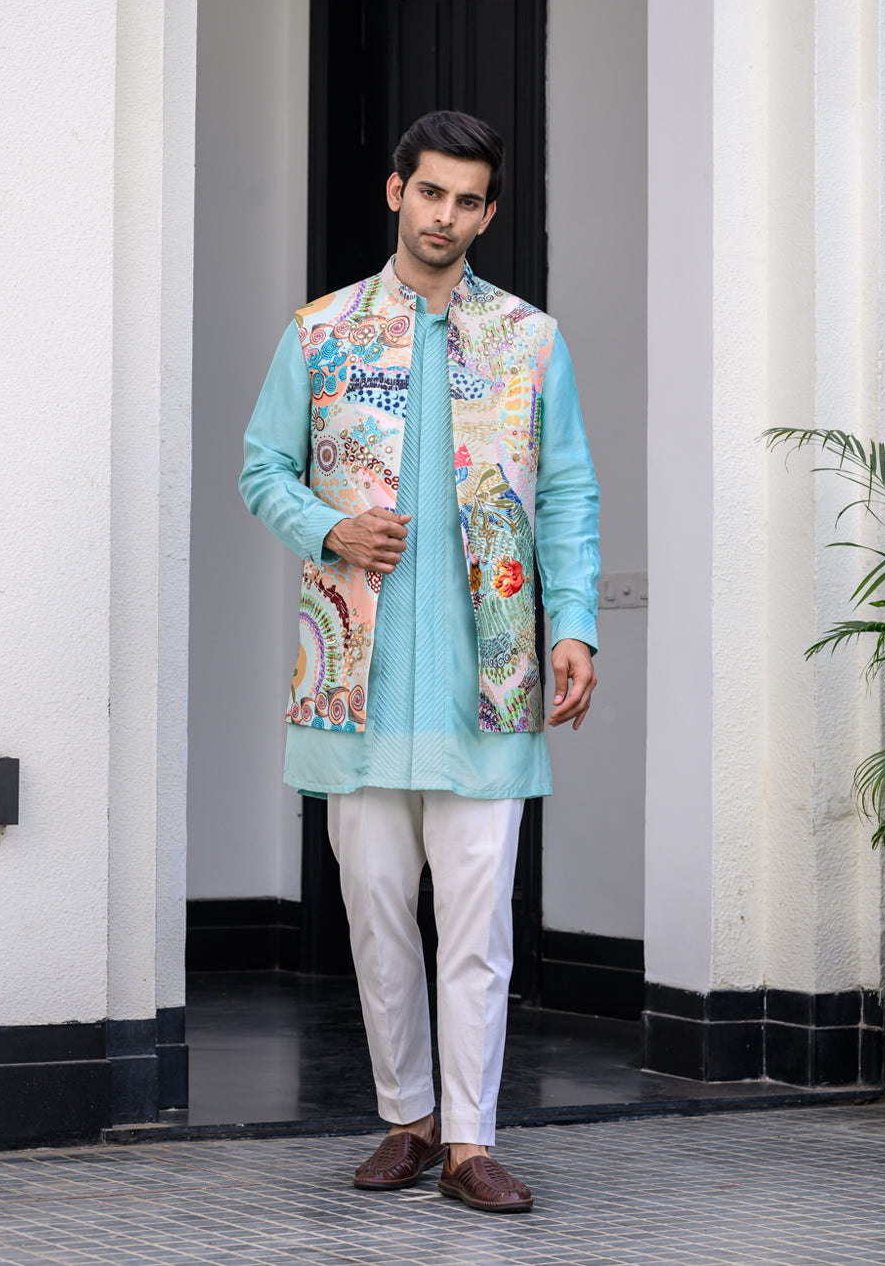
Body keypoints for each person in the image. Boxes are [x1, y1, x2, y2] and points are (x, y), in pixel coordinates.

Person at [239, 110, 599, 1214]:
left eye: (467, 200)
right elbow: (262, 469)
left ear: (487, 214)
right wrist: (328, 529)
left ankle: (470, 1142)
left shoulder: (530, 340)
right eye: (429, 191)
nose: (445, 215)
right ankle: (407, 1118)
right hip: (354, 682)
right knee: (376, 913)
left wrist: (573, 624)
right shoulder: (321, 333)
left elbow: (568, 495)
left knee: (479, 928)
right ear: (397, 192)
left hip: (486, 686)